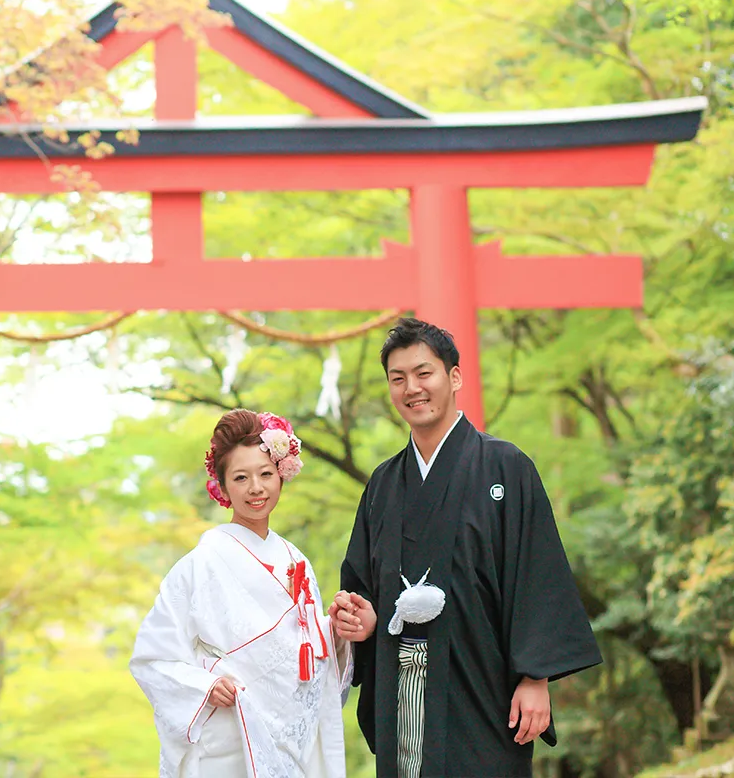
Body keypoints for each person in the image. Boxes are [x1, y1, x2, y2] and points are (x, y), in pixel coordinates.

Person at [328, 317, 602, 777]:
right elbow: (363, 589)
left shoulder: (506, 467)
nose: (412, 388)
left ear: (454, 377)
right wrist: (360, 617)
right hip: (401, 689)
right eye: (398, 379)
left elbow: (536, 574)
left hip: (482, 682)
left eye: (424, 373)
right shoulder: (383, 484)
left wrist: (535, 677)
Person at [131, 409, 352, 777]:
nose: (256, 488)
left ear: (282, 475)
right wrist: (204, 687)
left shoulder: (296, 560)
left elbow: (307, 647)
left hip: (291, 741)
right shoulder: (200, 564)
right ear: (222, 486)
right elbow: (152, 658)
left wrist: (337, 633)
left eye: (266, 474)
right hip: (231, 737)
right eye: (241, 477)